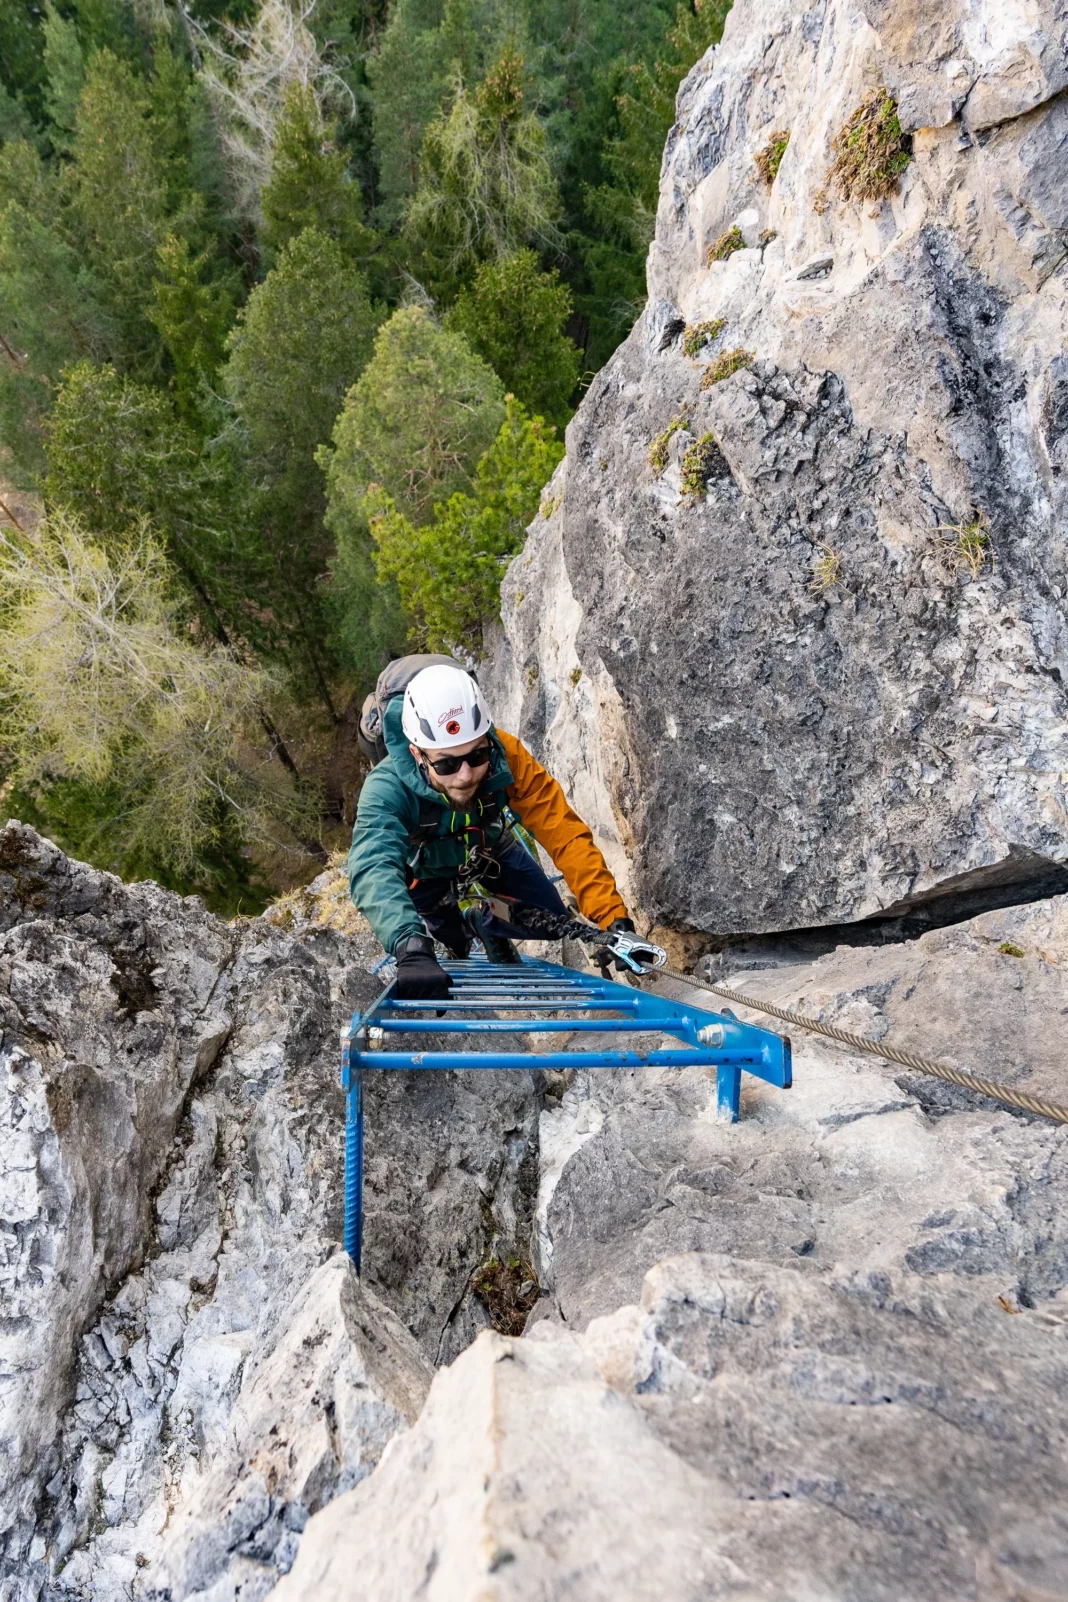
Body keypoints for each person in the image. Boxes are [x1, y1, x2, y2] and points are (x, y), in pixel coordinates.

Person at [348, 662, 634, 999]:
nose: (466, 775)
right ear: (417, 754)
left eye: (477, 755)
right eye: (447, 763)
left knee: (550, 919)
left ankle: (485, 919)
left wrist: (613, 919)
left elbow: (561, 830)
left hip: (486, 848)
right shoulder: (386, 787)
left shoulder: (506, 756)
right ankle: (463, 927)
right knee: (450, 934)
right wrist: (410, 946)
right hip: (423, 869)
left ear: (488, 739)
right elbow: (373, 864)